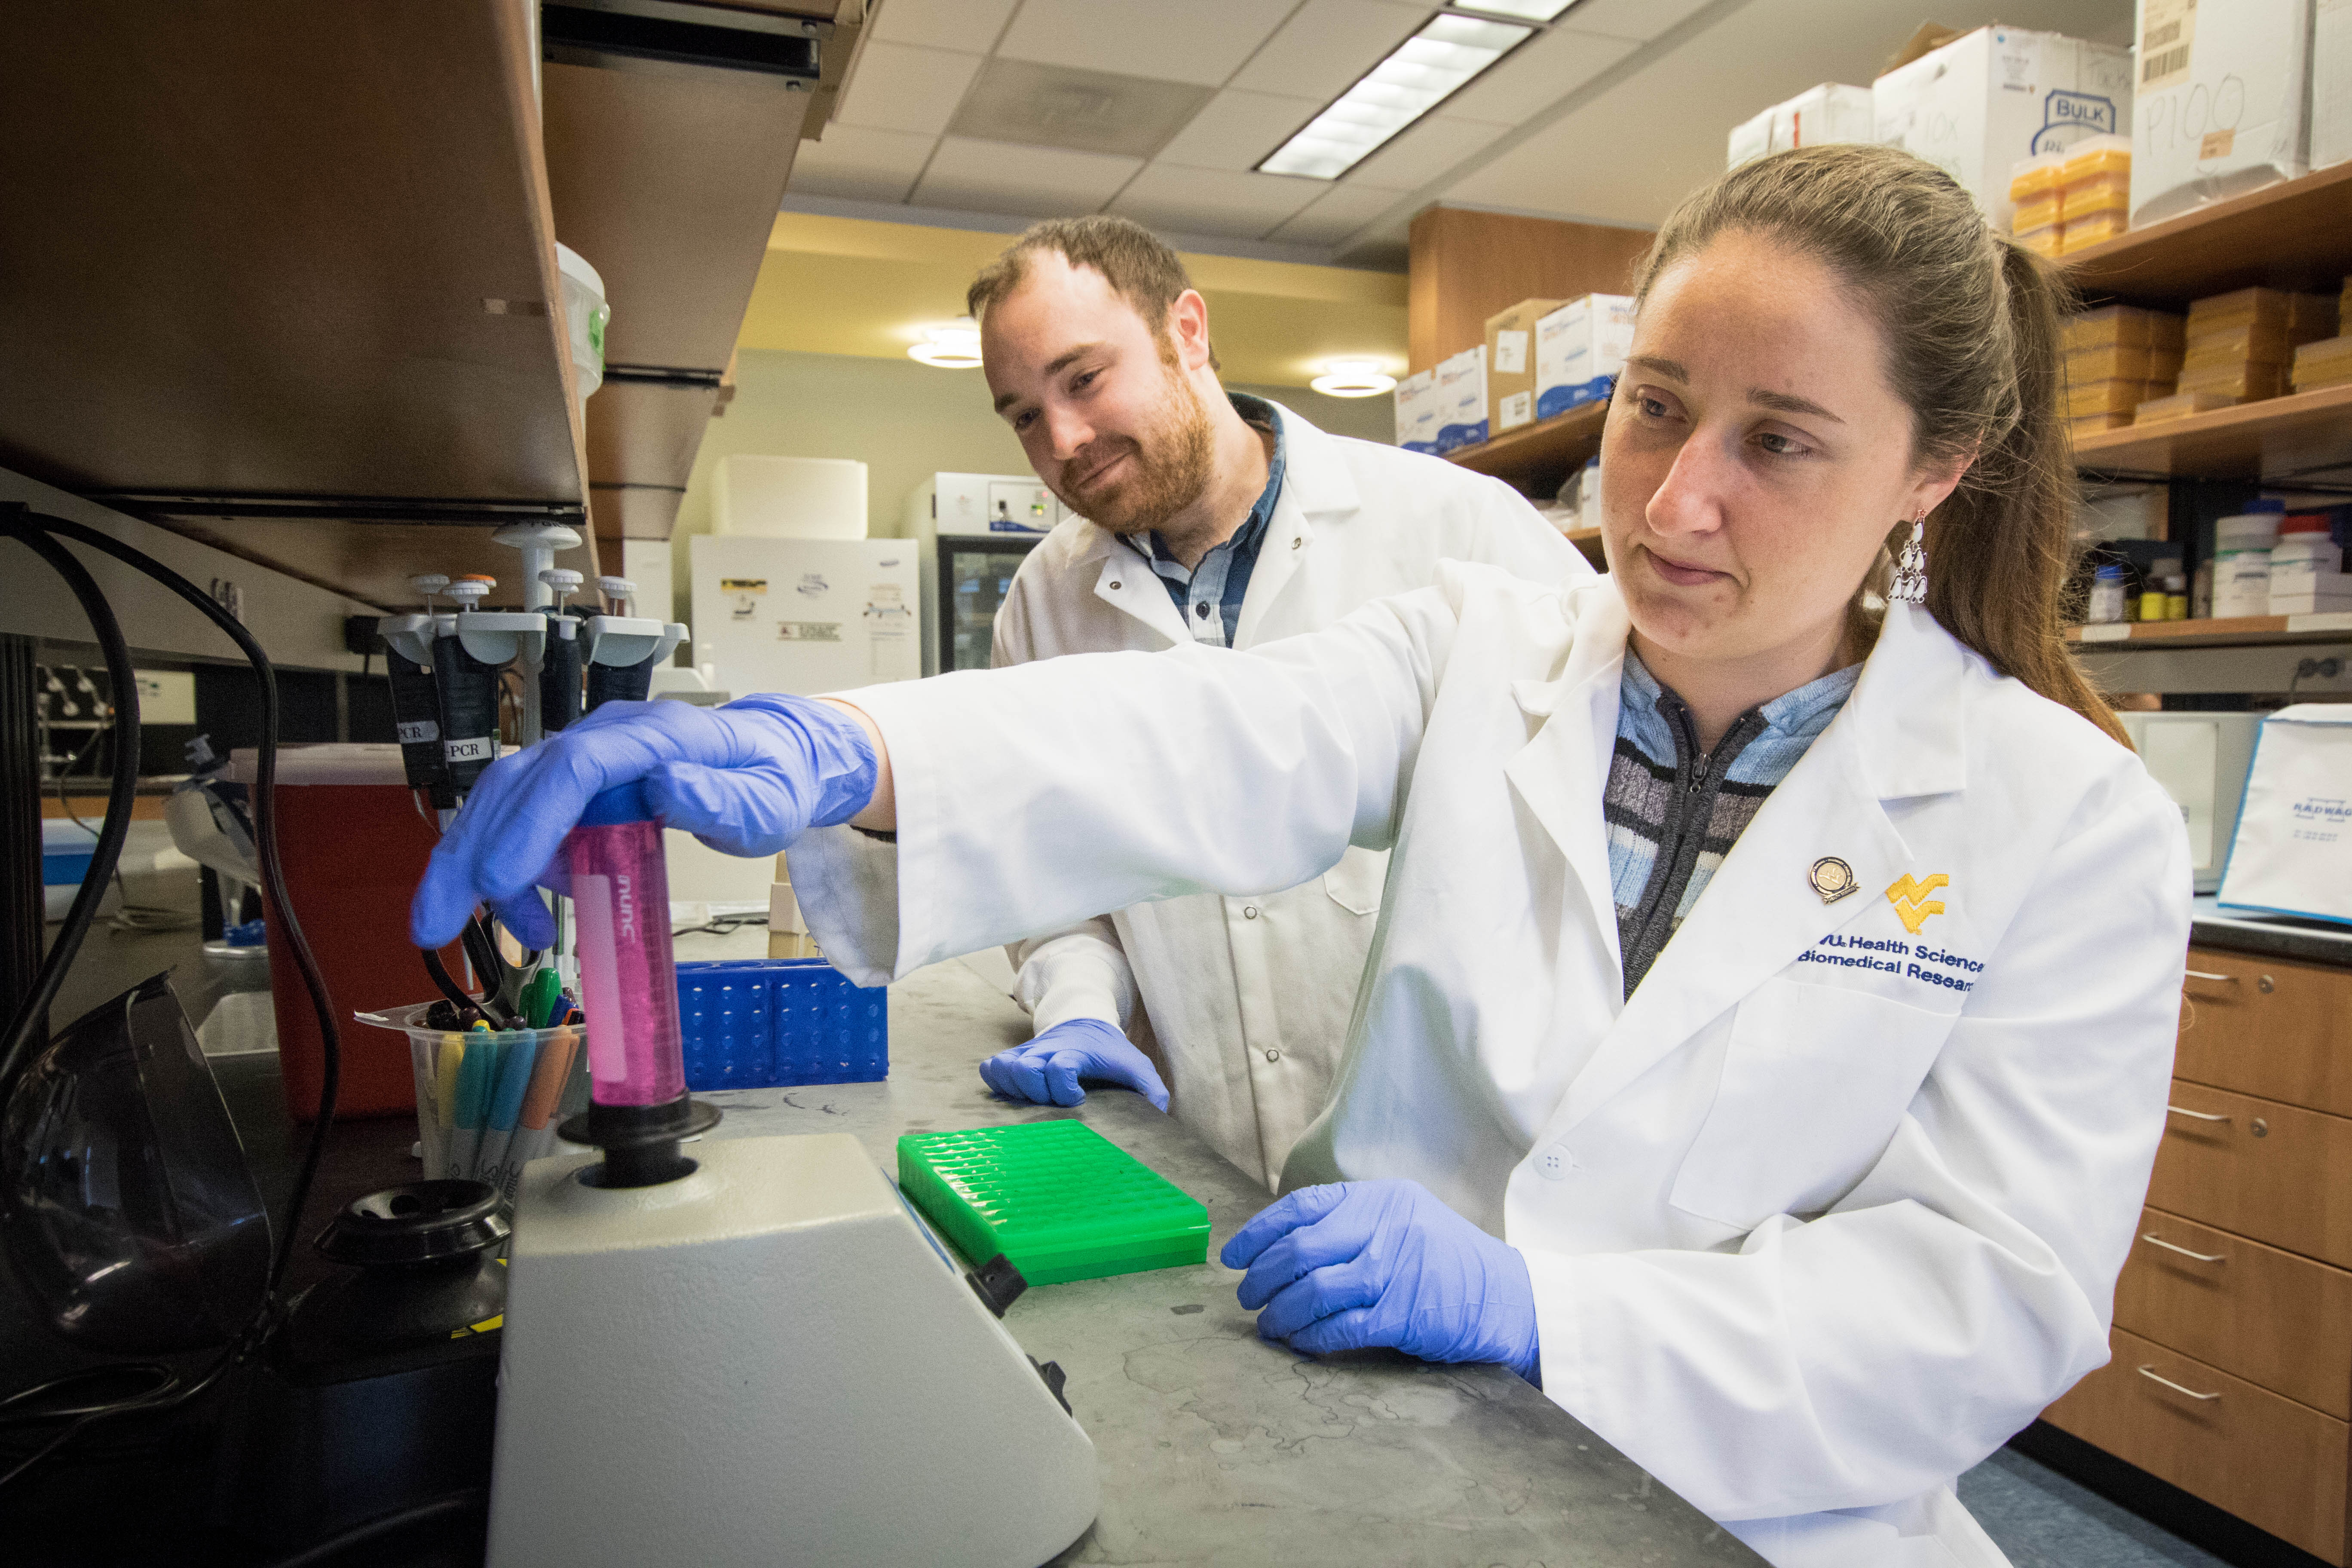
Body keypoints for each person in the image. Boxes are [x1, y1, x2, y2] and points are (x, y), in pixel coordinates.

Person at [415, 146, 2189, 1568]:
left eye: (1778, 441)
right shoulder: (1485, 648)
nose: (1669, 501)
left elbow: (1985, 1302)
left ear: (1933, 471)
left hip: (1783, 1518)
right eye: (1655, 407)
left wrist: (1544, 1309)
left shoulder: (2067, 820)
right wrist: (839, 751)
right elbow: (1194, 737)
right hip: (1395, 1446)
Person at [962, 216, 1586, 1188]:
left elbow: (1602, 827)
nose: (1065, 440)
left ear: (1189, 331)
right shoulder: (1045, 604)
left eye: (1084, 379)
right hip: (1210, 1164)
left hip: (1471, 1180)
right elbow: (1049, 878)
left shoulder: (1459, 528)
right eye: (1024, 416)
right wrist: (1077, 1003)